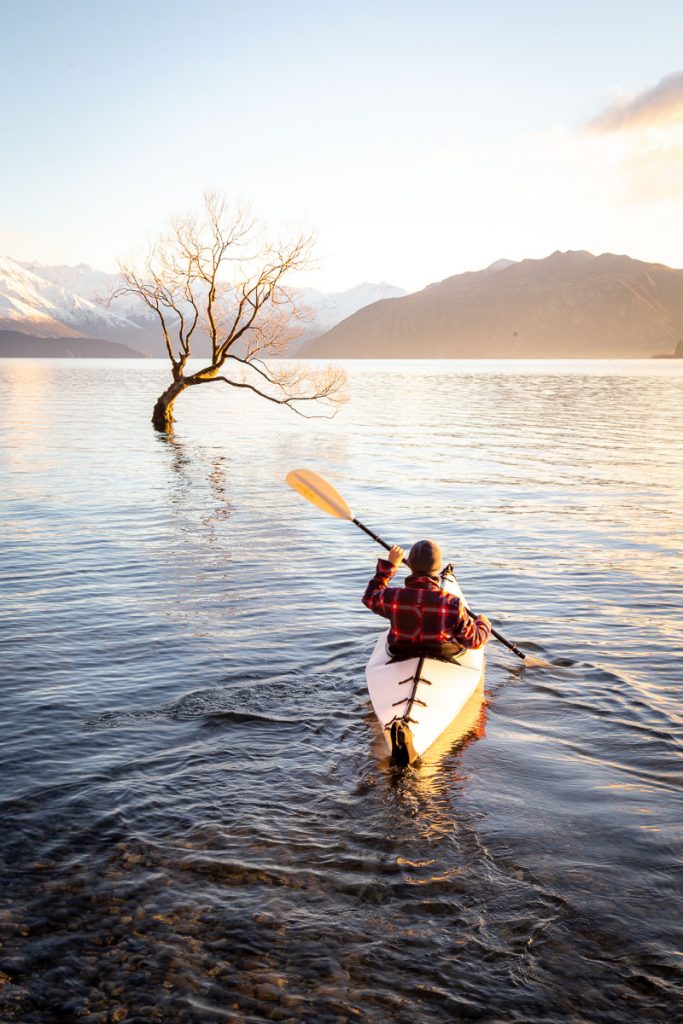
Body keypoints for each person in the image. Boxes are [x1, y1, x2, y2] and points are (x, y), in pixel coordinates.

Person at [362, 539, 492, 660]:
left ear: (409, 565)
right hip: (442, 654)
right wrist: (483, 623)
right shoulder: (453, 603)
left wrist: (390, 566)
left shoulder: (393, 597)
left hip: (401, 652)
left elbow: (369, 596)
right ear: (439, 567)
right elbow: (475, 641)